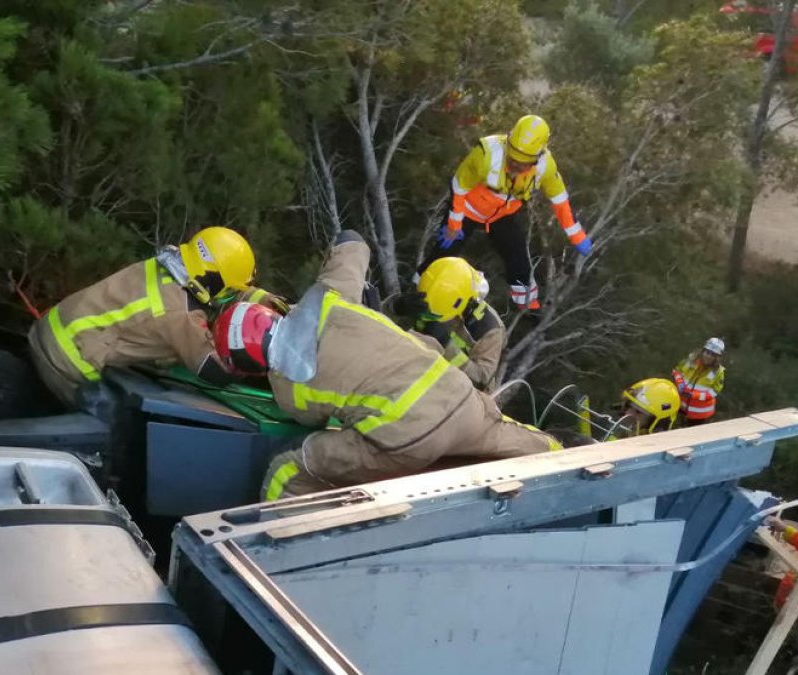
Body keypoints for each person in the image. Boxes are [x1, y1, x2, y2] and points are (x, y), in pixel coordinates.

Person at [214, 231, 562, 501]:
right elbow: (352, 242)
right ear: (271, 314)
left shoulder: (289, 390)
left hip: (410, 437)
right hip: (458, 394)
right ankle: (563, 454)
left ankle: (272, 543)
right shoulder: (330, 297)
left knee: (289, 466)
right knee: (507, 436)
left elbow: (315, 423)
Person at [29, 226, 265, 407]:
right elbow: (216, 371)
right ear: (213, 280)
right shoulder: (179, 315)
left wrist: (260, 299)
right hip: (65, 366)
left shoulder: (163, 265)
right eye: (230, 289)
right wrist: (262, 361)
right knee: (126, 432)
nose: (229, 295)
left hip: (47, 331)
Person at [419, 115, 592, 311]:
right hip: (468, 209)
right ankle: (419, 291)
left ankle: (528, 304)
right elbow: (459, 187)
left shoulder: (545, 166)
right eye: (512, 159)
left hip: (501, 216)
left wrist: (577, 236)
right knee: (444, 252)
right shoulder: (486, 154)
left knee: (517, 255)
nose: (515, 167)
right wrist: (454, 224)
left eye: (523, 163)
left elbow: (560, 200)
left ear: (538, 156)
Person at [391, 257, 505, 391]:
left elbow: (481, 381)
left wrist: (447, 346)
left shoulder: (488, 328)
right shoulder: (426, 295)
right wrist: (395, 308)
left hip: (453, 396)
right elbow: (376, 330)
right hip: (409, 373)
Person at [672, 338, 726, 425]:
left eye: (712, 355)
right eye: (707, 352)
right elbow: (676, 371)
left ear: (717, 358)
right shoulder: (691, 360)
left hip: (700, 414)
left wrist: (695, 395)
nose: (708, 356)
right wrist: (680, 383)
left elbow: (714, 392)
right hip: (680, 406)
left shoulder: (718, 372)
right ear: (703, 351)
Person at [616, 378, 682, 437]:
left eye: (638, 412)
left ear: (657, 425)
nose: (627, 413)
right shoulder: (618, 432)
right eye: (628, 406)